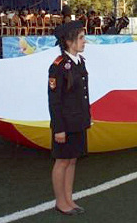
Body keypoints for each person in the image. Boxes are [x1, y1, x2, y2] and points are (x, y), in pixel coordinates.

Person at [48, 20, 91, 215]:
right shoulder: (58, 67)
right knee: (62, 161)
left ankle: (69, 198)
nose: (85, 41)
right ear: (69, 42)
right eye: (81, 38)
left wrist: (86, 118)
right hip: (64, 124)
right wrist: (58, 129)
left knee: (72, 160)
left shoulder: (79, 62)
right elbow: (54, 101)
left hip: (77, 121)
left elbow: (82, 95)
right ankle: (60, 202)